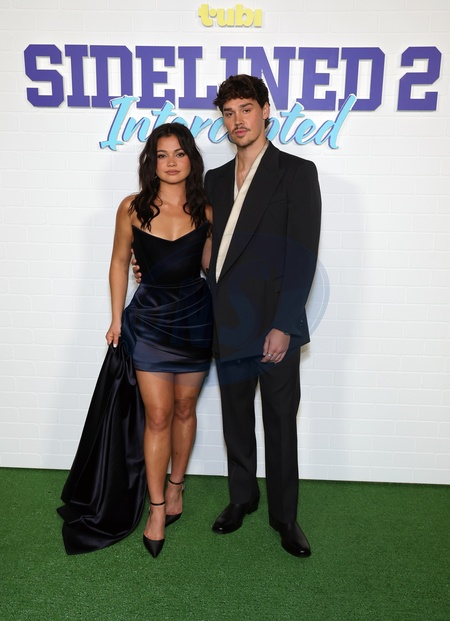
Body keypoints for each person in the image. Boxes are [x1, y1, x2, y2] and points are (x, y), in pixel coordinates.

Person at [58, 123, 213, 557]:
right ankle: (156, 508)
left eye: (179, 153)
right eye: (162, 155)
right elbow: (118, 261)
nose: (171, 162)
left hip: (195, 319)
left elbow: (209, 264)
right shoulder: (132, 207)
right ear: (151, 162)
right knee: (158, 415)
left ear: (191, 159)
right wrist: (115, 318)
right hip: (148, 321)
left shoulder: (206, 209)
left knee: (185, 409)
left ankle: (177, 487)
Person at [204, 75, 321, 557]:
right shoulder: (213, 180)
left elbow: (303, 254)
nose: (238, 121)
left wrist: (284, 324)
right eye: (229, 113)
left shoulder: (296, 172)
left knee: (279, 422)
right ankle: (242, 498)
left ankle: (285, 517)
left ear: (266, 111)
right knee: (235, 419)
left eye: (246, 109)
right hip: (228, 322)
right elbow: (207, 249)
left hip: (275, 324)